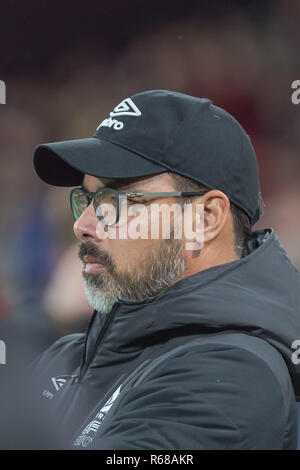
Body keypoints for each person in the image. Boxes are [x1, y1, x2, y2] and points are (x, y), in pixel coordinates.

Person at [31, 90, 300, 450]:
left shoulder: (233, 374)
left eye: (114, 200)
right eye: (88, 198)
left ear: (204, 219)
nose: (83, 224)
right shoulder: (66, 355)